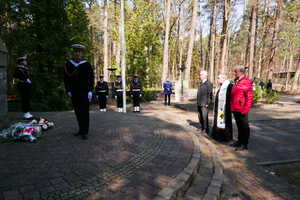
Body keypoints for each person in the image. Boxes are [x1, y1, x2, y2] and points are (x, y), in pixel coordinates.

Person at [64, 44, 94, 140]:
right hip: (74, 92)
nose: (77, 53)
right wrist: (68, 90)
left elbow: (91, 79)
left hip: (84, 92)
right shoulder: (68, 65)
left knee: (84, 112)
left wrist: (90, 91)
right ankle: (81, 129)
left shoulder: (87, 65)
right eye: (76, 51)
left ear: (82, 53)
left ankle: (85, 131)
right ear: (73, 52)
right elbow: (66, 79)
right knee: (77, 111)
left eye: (79, 52)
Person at [230, 65, 253, 151]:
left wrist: (245, 110)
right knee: (239, 126)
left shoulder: (247, 82)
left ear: (241, 72)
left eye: (236, 72)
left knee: (244, 127)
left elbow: (249, 97)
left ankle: (244, 143)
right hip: (236, 108)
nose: (234, 73)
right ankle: (239, 141)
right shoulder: (237, 81)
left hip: (242, 109)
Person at [211, 74, 233, 141]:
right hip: (218, 108)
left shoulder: (229, 86)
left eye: (218, 78)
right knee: (217, 121)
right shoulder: (220, 86)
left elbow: (230, 97)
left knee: (224, 123)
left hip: (225, 109)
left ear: (224, 79)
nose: (217, 79)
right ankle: (216, 135)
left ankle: (224, 137)